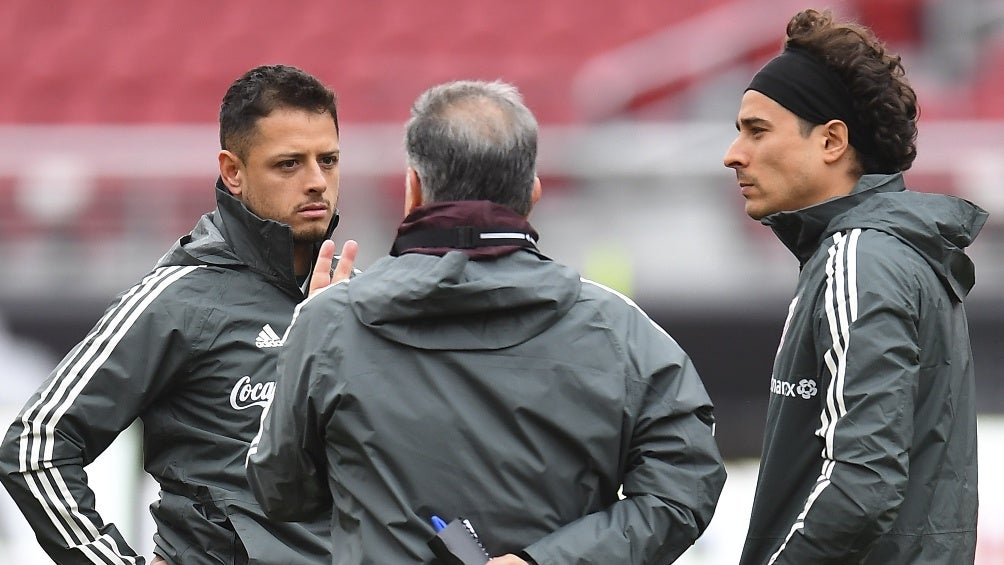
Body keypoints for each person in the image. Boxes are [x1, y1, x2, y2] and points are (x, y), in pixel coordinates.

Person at [245, 79, 727, 565]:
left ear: (413, 189)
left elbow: (280, 491)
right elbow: (683, 493)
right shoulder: (625, 332)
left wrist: (311, 334)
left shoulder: (327, 323)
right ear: (532, 192)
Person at [0, 64, 357, 564]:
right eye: (289, 164)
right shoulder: (180, 300)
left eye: (329, 159)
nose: (318, 182)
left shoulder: (358, 299)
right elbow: (36, 446)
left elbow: (412, 470)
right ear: (234, 172)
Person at [723, 9, 986, 565]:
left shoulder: (860, 256)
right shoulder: (892, 252)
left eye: (757, 130)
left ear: (832, 141)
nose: (734, 154)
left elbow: (861, 483)